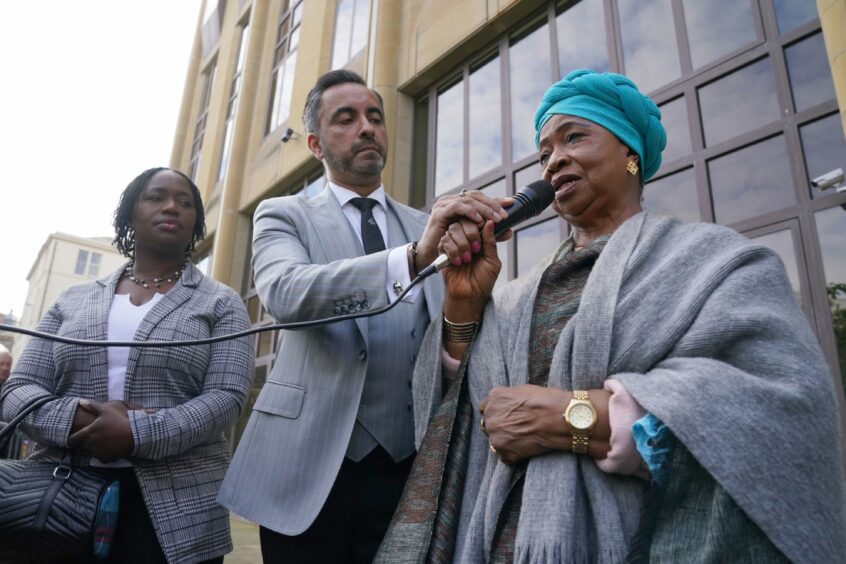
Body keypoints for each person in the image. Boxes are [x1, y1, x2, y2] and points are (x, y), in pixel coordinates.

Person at [377, 69, 846, 562]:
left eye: (574, 136)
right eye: (544, 153)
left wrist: (576, 419)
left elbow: (782, 410)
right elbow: (461, 420)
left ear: (630, 156)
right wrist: (463, 306)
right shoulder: (512, 298)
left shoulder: (715, 261)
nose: (554, 158)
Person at [218, 69, 508, 563]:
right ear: (314, 143)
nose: (367, 127)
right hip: (306, 470)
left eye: (375, 116)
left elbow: (454, 338)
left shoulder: (426, 225)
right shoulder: (283, 215)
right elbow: (287, 293)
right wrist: (410, 259)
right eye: (346, 119)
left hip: (411, 467)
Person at [1, 167, 254, 564]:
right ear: (130, 214)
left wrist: (137, 432)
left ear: (196, 223)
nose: (172, 206)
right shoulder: (73, 299)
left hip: (180, 509)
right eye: (156, 197)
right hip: (56, 497)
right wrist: (80, 423)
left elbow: (227, 397)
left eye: (185, 202)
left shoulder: (221, 303)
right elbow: (18, 390)